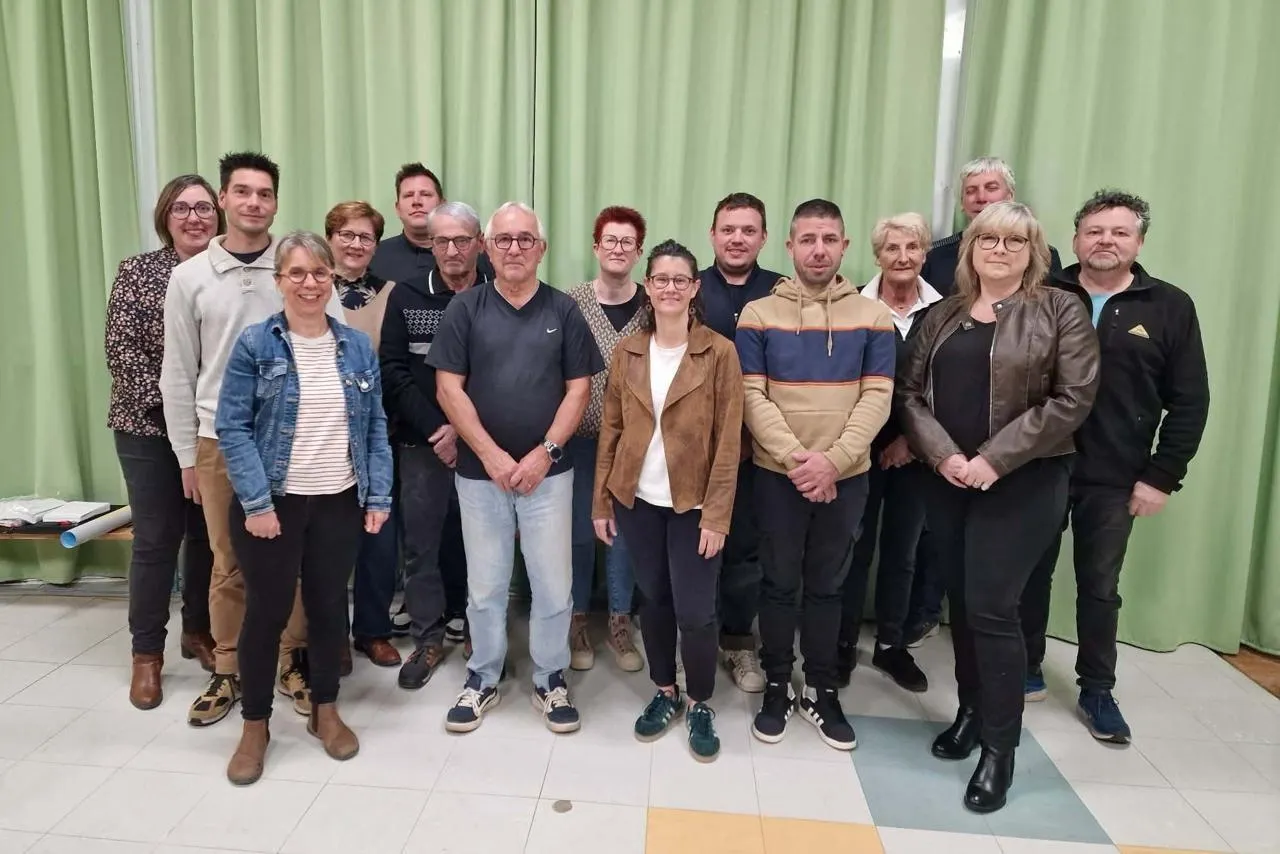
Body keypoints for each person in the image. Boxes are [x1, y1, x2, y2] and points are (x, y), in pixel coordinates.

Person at [900, 201, 1099, 813]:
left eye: (1015, 241)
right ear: (971, 248)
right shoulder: (942, 313)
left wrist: (992, 459)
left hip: (1023, 482)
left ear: (1034, 251)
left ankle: (999, 749)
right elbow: (909, 395)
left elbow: (1073, 397)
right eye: (988, 238)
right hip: (949, 480)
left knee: (992, 608)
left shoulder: (1061, 308)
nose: (1000, 250)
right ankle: (969, 712)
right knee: (963, 604)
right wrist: (944, 457)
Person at [1020, 190, 1209, 742]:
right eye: (1095, 231)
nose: (1106, 241)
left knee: (1099, 585)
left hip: (1117, 475)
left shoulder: (1169, 306)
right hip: (1039, 465)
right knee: (1029, 573)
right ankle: (1026, 667)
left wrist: (1161, 476)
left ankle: (1097, 688)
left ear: (1139, 243)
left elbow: (1190, 400)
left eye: (1120, 232)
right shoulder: (1042, 294)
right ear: (1075, 240)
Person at [162, 152, 341, 726]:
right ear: (223, 199)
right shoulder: (190, 278)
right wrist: (187, 456)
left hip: (295, 442)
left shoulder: (297, 265)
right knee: (229, 560)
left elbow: (336, 347)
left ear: (276, 203)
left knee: (292, 561)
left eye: (264, 194)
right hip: (220, 441)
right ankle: (230, 667)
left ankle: (290, 661)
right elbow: (178, 373)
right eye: (242, 192)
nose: (253, 203)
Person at [216, 231, 392, 785]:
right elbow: (232, 427)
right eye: (297, 273)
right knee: (266, 614)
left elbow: (375, 427)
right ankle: (255, 725)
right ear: (279, 282)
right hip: (273, 505)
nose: (310, 283)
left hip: (338, 501)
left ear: (332, 279)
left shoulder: (356, 347)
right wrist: (257, 503)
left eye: (319, 273)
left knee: (328, 609)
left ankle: (325, 710)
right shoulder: (255, 344)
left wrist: (378, 495)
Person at [428, 202, 603, 734]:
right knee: (485, 586)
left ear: (541, 249)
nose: (514, 249)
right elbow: (448, 389)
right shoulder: (466, 309)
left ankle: (550, 679)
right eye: (503, 239)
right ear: (486, 246)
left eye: (525, 239)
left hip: (549, 475)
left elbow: (579, 390)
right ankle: (482, 676)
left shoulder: (564, 311)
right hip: (480, 476)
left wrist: (542, 453)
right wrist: (492, 455)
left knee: (552, 586)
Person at [736, 199, 895, 752]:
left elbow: (877, 397)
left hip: (845, 477)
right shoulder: (758, 315)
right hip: (777, 476)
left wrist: (833, 461)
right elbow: (751, 396)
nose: (818, 250)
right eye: (807, 239)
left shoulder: (873, 317)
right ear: (790, 246)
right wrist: (799, 461)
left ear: (844, 246)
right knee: (779, 585)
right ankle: (778, 685)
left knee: (829, 587)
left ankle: (821, 690)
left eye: (829, 239)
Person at [594, 239, 744, 761]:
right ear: (648, 285)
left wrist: (717, 515)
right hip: (638, 501)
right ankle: (665, 690)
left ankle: (700, 701)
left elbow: (728, 441)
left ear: (695, 287)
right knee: (654, 600)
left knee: (696, 611)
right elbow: (611, 430)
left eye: (681, 279)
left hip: (694, 506)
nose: (671, 288)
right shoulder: (629, 351)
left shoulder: (718, 352)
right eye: (661, 279)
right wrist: (602, 501)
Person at [106, 174, 224, 710]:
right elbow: (123, 353)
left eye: (204, 207)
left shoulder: (225, 273)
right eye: (182, 208)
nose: (194, 217)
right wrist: (178, 416)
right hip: (148, 427)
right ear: (165, 217)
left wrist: (205, 420)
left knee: (207, 537)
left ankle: (198, 630)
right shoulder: (138, 273)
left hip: (213, 430)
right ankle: (146, 654)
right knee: (156, 540)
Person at [380, 201, 490, 690]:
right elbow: (393, 371)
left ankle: (480, 635)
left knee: (481, 546)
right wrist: (438, 430)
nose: (452, 250)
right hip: (422, 443)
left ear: (479, 243)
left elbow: (506, 374)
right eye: (442, 240)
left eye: (462, 239)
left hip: (484, 444)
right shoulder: (406, 296)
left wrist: (465, 432)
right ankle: (427, 639)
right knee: (421, 547)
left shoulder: (498, 294)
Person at [837, 213, 944, 692]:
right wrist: (862, 441)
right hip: (857, 450)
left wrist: (911, 442)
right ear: (877, 255)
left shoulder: (945, 310)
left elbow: (949, 384)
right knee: (853, 548)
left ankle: (891, 645)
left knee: (903, 551)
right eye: (892, 248)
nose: (903, 257)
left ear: (925, 253)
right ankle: (841, 644)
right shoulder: (853, 306)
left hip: (917, 453)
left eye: (912, 247)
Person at [699, 192, 783, 694]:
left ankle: (737, 642)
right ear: (712, 234)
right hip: (696, 452)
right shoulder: (688, 288)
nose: (737, 239)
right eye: (728, 229)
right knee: (693, 547)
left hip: (761, 450)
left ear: (764, 238)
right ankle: (693, 642)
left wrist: (756, 437)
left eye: (748, 230)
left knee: (746, 552)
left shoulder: (783, 292)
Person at [566, 206, 647, 673]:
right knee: (579, 532)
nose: (618, 249)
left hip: (635, 445)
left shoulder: (653, 305)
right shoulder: (571, 302)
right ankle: (577, 619)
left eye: (627, 242)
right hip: (578, 439)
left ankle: (619, 620)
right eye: (610, 240)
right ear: (596, 247)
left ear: (638, 251)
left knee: (624, 536)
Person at [324, 201, 401, 672]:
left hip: (376, 432)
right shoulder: (311, 288)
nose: (355, 244)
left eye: (365, 237)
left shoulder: (393, 294)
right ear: (330, 238)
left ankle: (373, 630)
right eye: (346, 235)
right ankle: (331, 634)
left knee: (379, 539)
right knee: (329, 543)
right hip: (322, 435)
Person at [921, 156, 1062, 298]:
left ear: (1010, 196)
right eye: (971, 191)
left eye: (991, 188)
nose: (981, 197)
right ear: (962, 203)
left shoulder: (1044, 254)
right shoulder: (934, 256)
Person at [369, 162, 494, 285]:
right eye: (408, 195)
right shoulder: (374, 256)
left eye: (425, 194)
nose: (416, 201)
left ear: (442, 204)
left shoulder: (479, 254)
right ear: (398, 208)